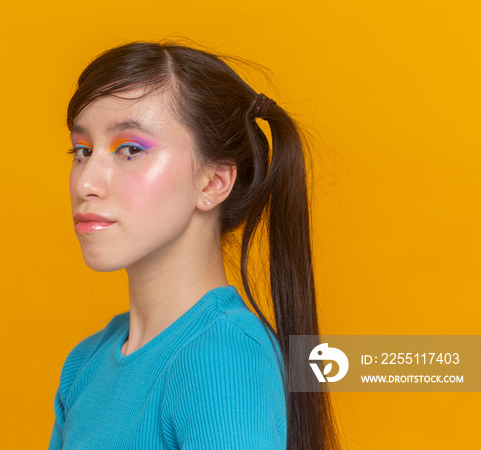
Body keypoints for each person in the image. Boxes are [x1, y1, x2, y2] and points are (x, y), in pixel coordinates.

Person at [48, 40, 340, 449]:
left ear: (213, 181)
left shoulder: (223, 359)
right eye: (82, 151)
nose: (86, 183)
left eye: (130, 150)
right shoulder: (85, 364)